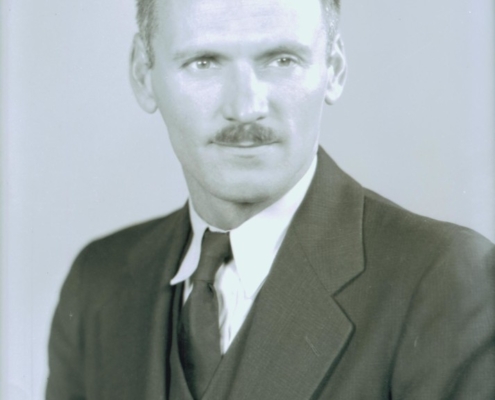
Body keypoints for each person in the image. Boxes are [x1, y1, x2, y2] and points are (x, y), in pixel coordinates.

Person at [46, 0, 495, 398]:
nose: (245, 107)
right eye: (204, 62)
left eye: (282, 60)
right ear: (143, 75)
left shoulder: (447, 279)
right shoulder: (97, 282)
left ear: (334, 69)